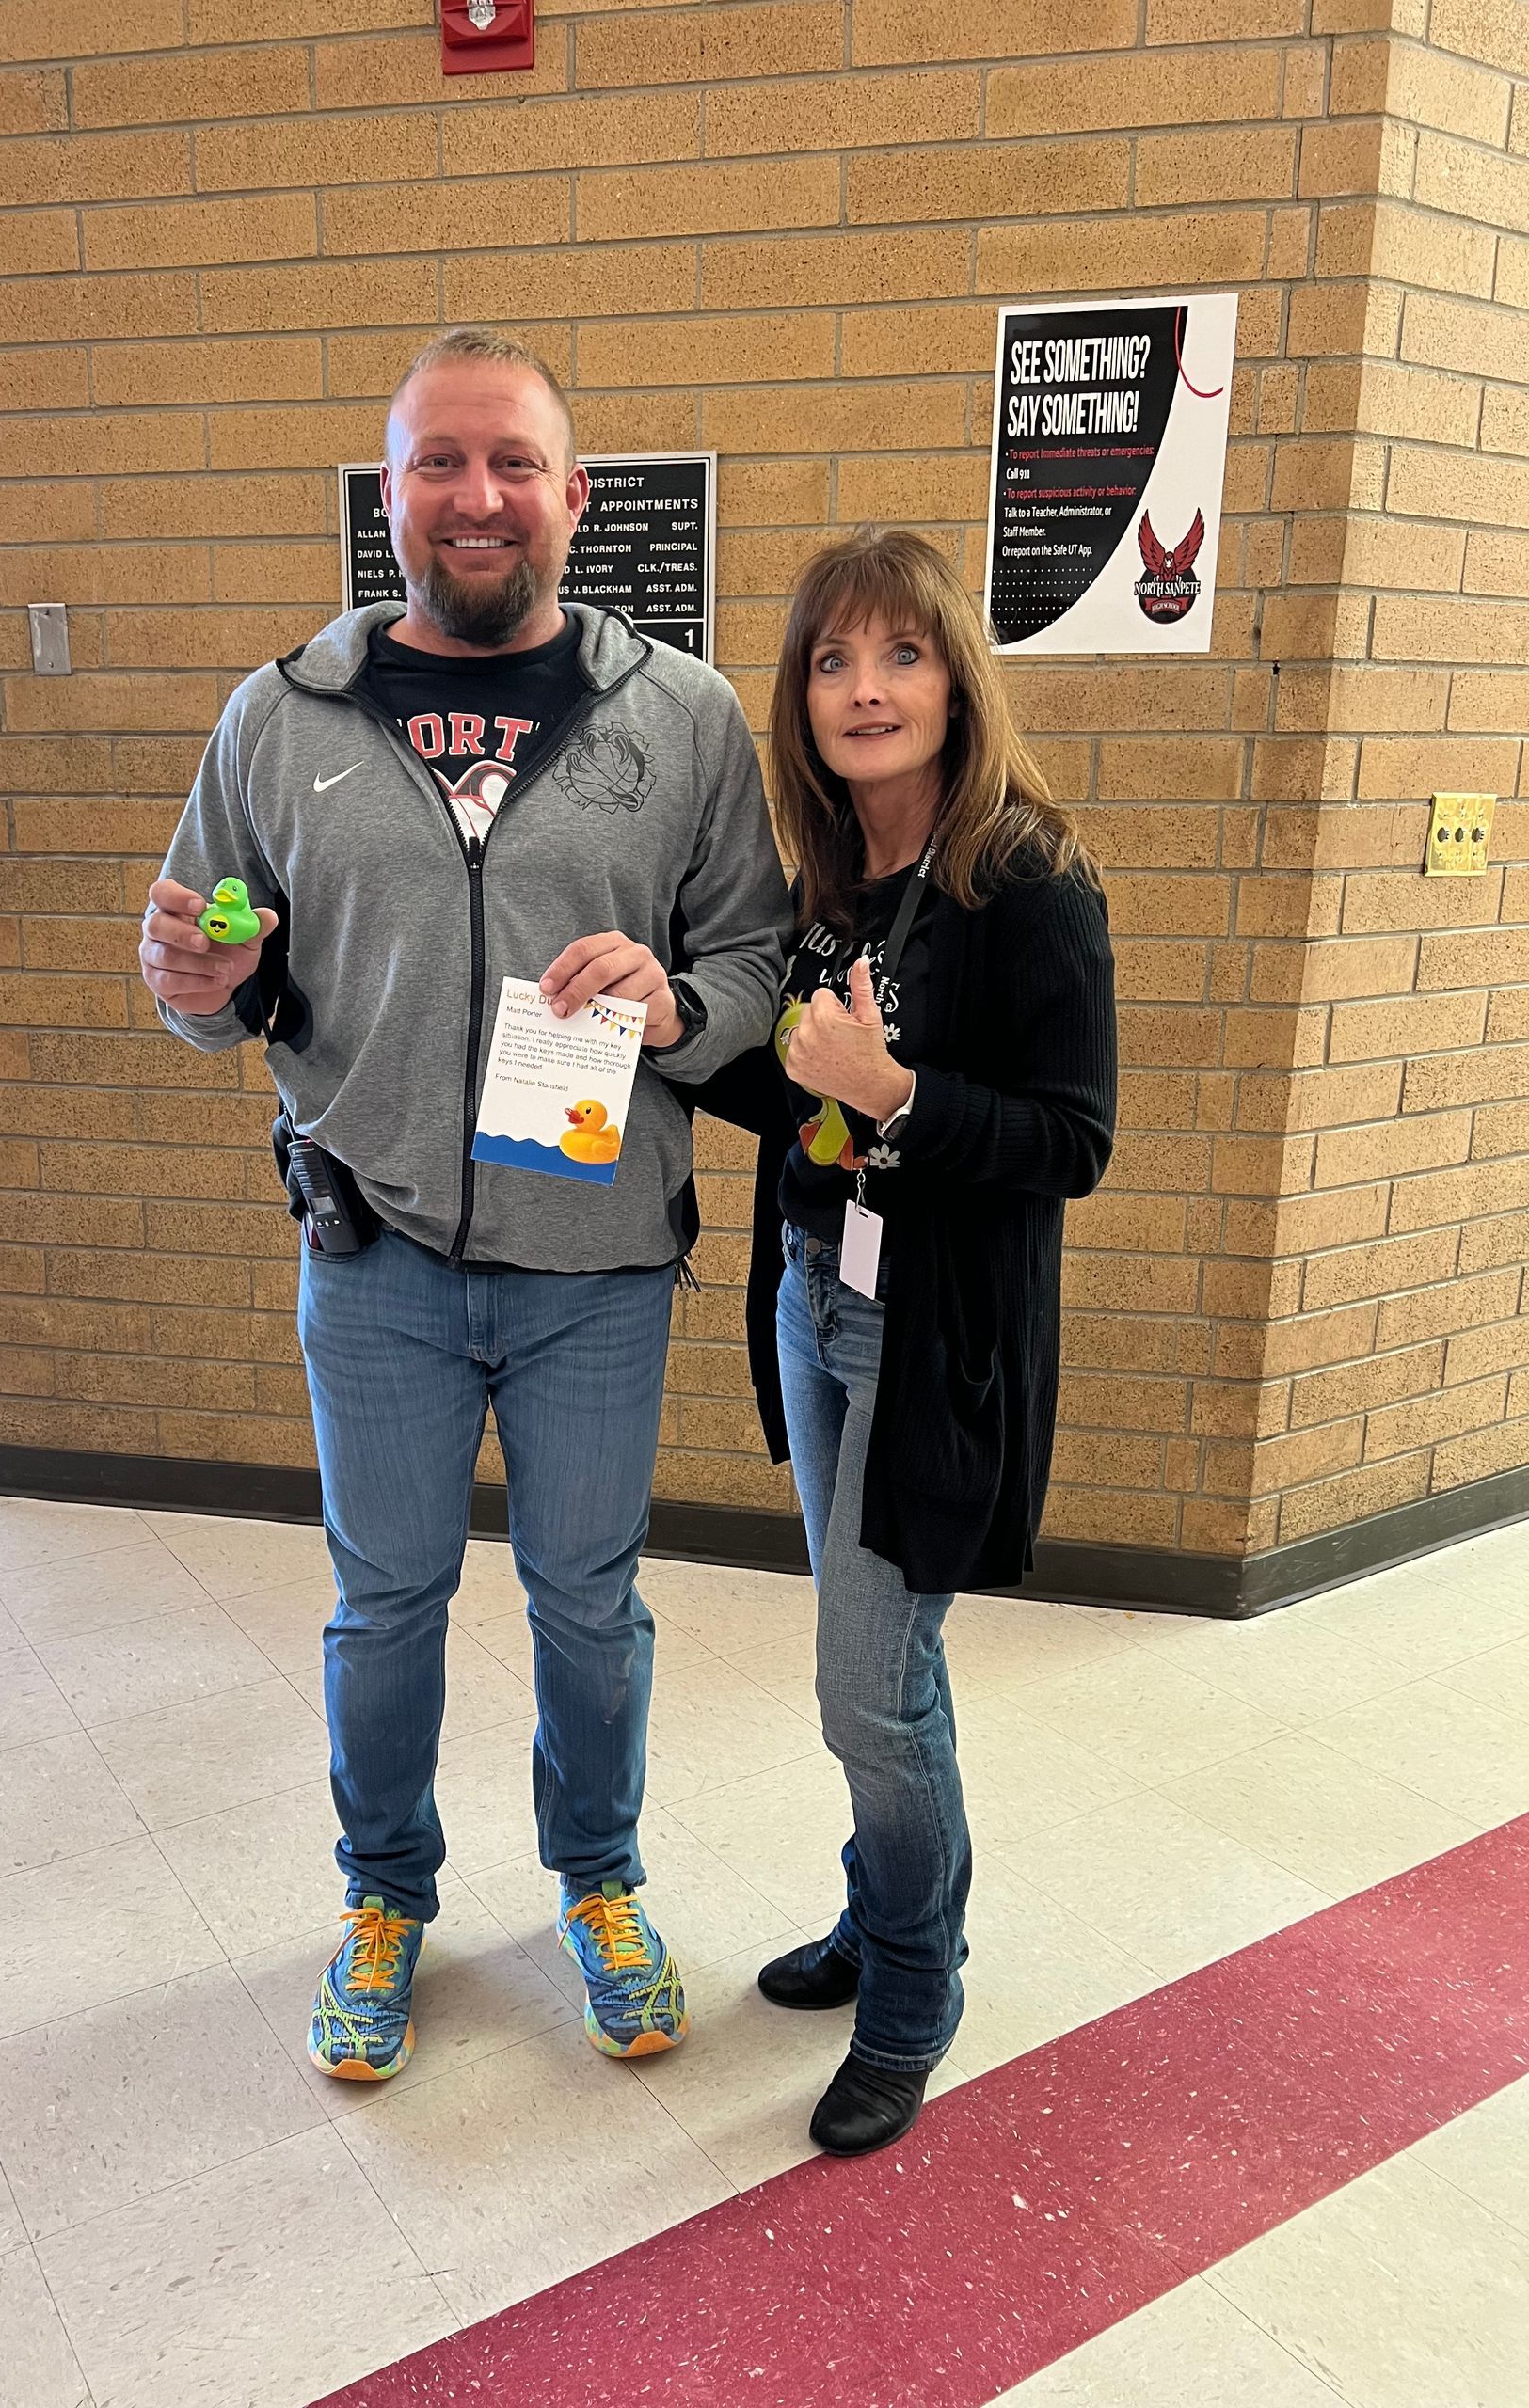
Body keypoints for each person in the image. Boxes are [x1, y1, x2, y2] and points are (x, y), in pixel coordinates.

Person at [138, 329, 788, 2083]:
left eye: (512, 462)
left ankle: (598, 1880)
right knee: (385, 1604)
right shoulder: (283, 718)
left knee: (591, 1602)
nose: (475, 497)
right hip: (378, 1257)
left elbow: (754, 957)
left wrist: (679, 1007)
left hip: (598, 1269)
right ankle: (385, 1894)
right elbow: (208, 953)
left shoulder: (687, 717)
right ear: (392, 494)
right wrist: (194, 986)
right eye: (439, 463)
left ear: (576, 496)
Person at [698, 527, 1117, 2156]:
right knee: (882, 1669)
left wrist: (901, 1099)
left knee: (869, 1689)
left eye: (900, 655)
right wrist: (671, 1028)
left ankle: (915, 1988)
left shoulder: (1026, 877)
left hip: (927, 1339)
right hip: (815, 1300)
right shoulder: (830, 880)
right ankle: (889, 1915)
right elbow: (791, 1087)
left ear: (955, 674)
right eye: (829, 661)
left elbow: (1072, 1138)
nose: (864, 690)